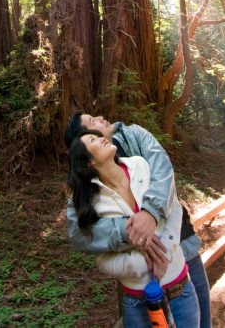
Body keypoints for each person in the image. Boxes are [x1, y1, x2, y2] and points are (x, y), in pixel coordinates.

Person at [65, 113, 212, 328]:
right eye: (92, 125)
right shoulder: (89, 193)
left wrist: (151, 215)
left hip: (181, 246)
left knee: (202, 310)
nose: (101, 119)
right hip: (138, 291)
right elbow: (82, 234)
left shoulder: (133, 139)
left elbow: (164, 174)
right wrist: (131, 231)